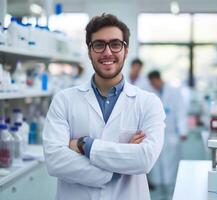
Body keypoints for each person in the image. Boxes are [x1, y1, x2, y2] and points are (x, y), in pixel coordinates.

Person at [42, 14, 166, 200]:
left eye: (115, 44)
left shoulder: (148, 103)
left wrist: (85, 145)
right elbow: (55, 161)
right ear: (89, 51)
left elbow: (145, 159)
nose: (107, 52)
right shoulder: (64, 100)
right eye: (99, 45)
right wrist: (118, 169)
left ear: (126, 49)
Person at [147, 70, 188, 198]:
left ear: (159, 79)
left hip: (171, 135)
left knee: (170, 167)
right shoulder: (150, 93)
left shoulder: (174, 91)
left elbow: (181, 111)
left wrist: (183, 130)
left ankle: (171, 195)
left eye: (154, 82)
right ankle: (159, 194)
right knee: (157, 168)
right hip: (155, 135)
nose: (154, 85)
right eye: (151, 83)